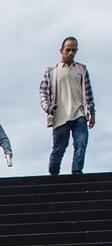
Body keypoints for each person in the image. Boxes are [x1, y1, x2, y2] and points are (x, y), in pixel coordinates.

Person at [40, 37, 96, 176]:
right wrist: (48, 107)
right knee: (59, 148)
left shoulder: (82, 69)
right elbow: (43, 92)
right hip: (60, 116)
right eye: (68, 50)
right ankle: (53, 175)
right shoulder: (52, 71)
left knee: (81, 144)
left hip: (79, 115)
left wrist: (92, 113)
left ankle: (77, 172)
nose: (71, 53)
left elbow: (88, 93)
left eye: (74, 50)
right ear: (61, 51)